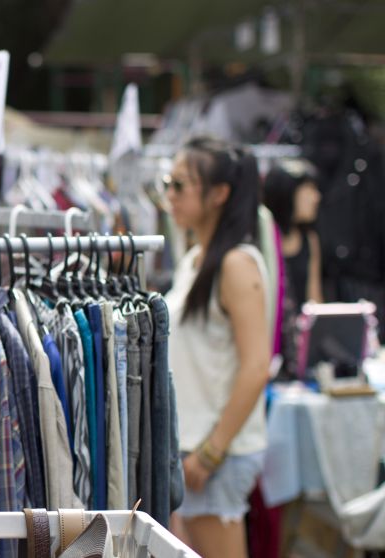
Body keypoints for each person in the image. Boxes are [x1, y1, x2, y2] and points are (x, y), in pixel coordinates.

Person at [163, 137, 270, 558]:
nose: (169, 194)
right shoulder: (197, 260)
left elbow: (257, 366)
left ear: (219, 194)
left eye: (179, 185)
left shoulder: (236, 264)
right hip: (194, 448)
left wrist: (210, 454)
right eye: (167, 183)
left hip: (215, 454)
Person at [263, 160, 323, 305]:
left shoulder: (309, 239)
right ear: (286, 192)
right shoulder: (262, 237)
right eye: (309, 189)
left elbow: (314, 299)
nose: (316, 197)